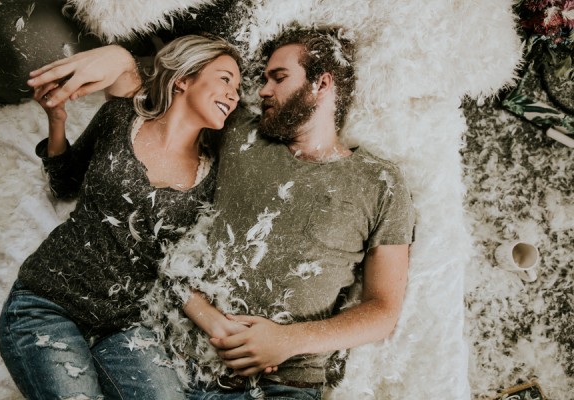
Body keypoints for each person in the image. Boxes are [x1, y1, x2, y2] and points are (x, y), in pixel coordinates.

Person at [29, 25, 416, 399]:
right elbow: (159, 97)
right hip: (172, 357)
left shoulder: (379, 182)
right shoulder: (238, 131)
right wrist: (117, 57)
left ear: (323, 82)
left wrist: (287, 341)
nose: (261, 90)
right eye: (262, 78)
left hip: (281, 383)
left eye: (278, 78)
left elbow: (382, 309)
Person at [0, 34, 243, 400]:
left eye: (238, 88)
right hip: (48, 302)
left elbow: (178, 267)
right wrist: (57, 120)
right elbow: (65, 182)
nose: (234, 94)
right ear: (184, 78)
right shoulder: (120, 117)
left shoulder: (214, 178)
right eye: (226, 78)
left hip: (126, 326)